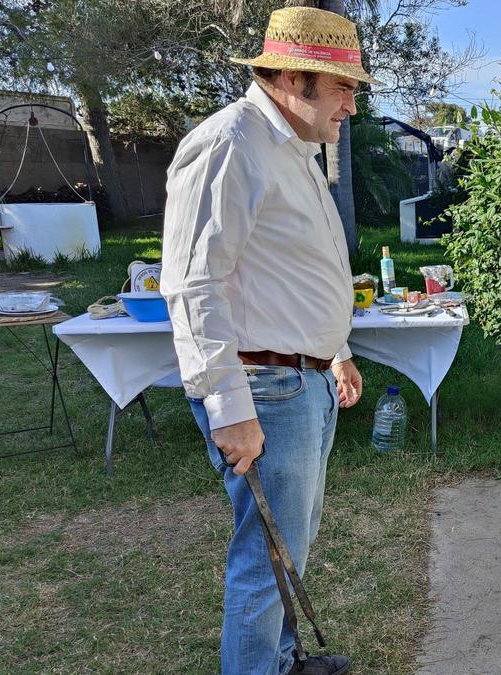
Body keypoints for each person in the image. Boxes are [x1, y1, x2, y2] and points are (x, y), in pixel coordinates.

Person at [160, 7, 380, 674]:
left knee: (289, 549)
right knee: (265, 560)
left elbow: (290, 268)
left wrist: (334, 348)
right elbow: (194, 284)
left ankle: (279, 662)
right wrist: (228, 407)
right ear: (293, 78)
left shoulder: (291, 146)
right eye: (343, 87)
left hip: (297, 379)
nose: (351, 105)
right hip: (263, 387)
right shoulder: (232, 143)